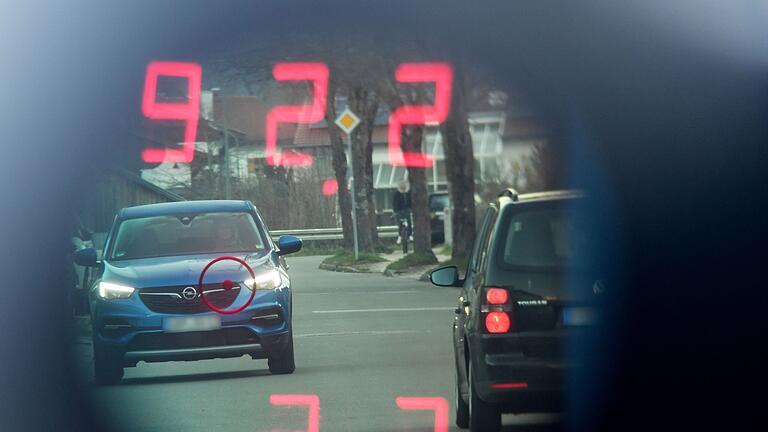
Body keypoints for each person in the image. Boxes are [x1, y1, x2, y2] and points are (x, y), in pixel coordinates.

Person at [392, 180, 413, 245]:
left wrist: (411, 209)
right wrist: (395, 211)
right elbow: (394, 203)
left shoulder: (408, 193)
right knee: (400, 223)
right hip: (399, 211)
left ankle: (410, 235)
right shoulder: (397, 194)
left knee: (409, 222)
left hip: (406, 210)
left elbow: (410, 202)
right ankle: (400, 236)